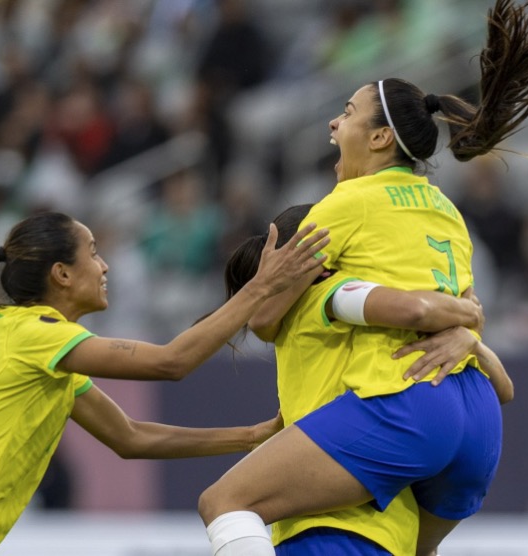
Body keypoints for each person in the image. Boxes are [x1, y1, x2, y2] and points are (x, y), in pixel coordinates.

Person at [198, 1, 528, 555]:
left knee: (225, 502)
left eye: (348, 112)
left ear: (381, 139)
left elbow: (262, 317)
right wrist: (469, 322)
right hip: (475, 413)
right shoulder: (447, 210)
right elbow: (486, 351)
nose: (333, 123)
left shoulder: (344, 213)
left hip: (404, 412)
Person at [0, 210, 330, 556]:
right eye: (94, 254)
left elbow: (131, 437)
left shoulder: (42, 351)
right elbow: (171, 362)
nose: (105, 267)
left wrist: (254, 436)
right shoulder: (31, 334)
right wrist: (261, 287)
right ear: (61, 274)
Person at [219, 204, 512, 555]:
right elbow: (413, 309)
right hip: (387, 523)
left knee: (223, 503)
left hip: (326, 525)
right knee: (224, 501)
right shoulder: (333, 296)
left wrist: (470, 340)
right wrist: (468, 318)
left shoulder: (319, 310)